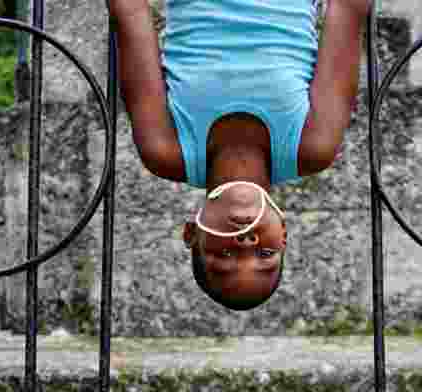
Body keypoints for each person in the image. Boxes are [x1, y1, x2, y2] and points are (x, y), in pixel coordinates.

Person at [109, 0, 369, 310]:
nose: (246, 242)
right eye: (265, 255)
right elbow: (347, 9)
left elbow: (131, 12)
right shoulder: (312, 145)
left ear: (192, 233)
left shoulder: (165, 149)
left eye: (224, 255)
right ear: (283, 232)